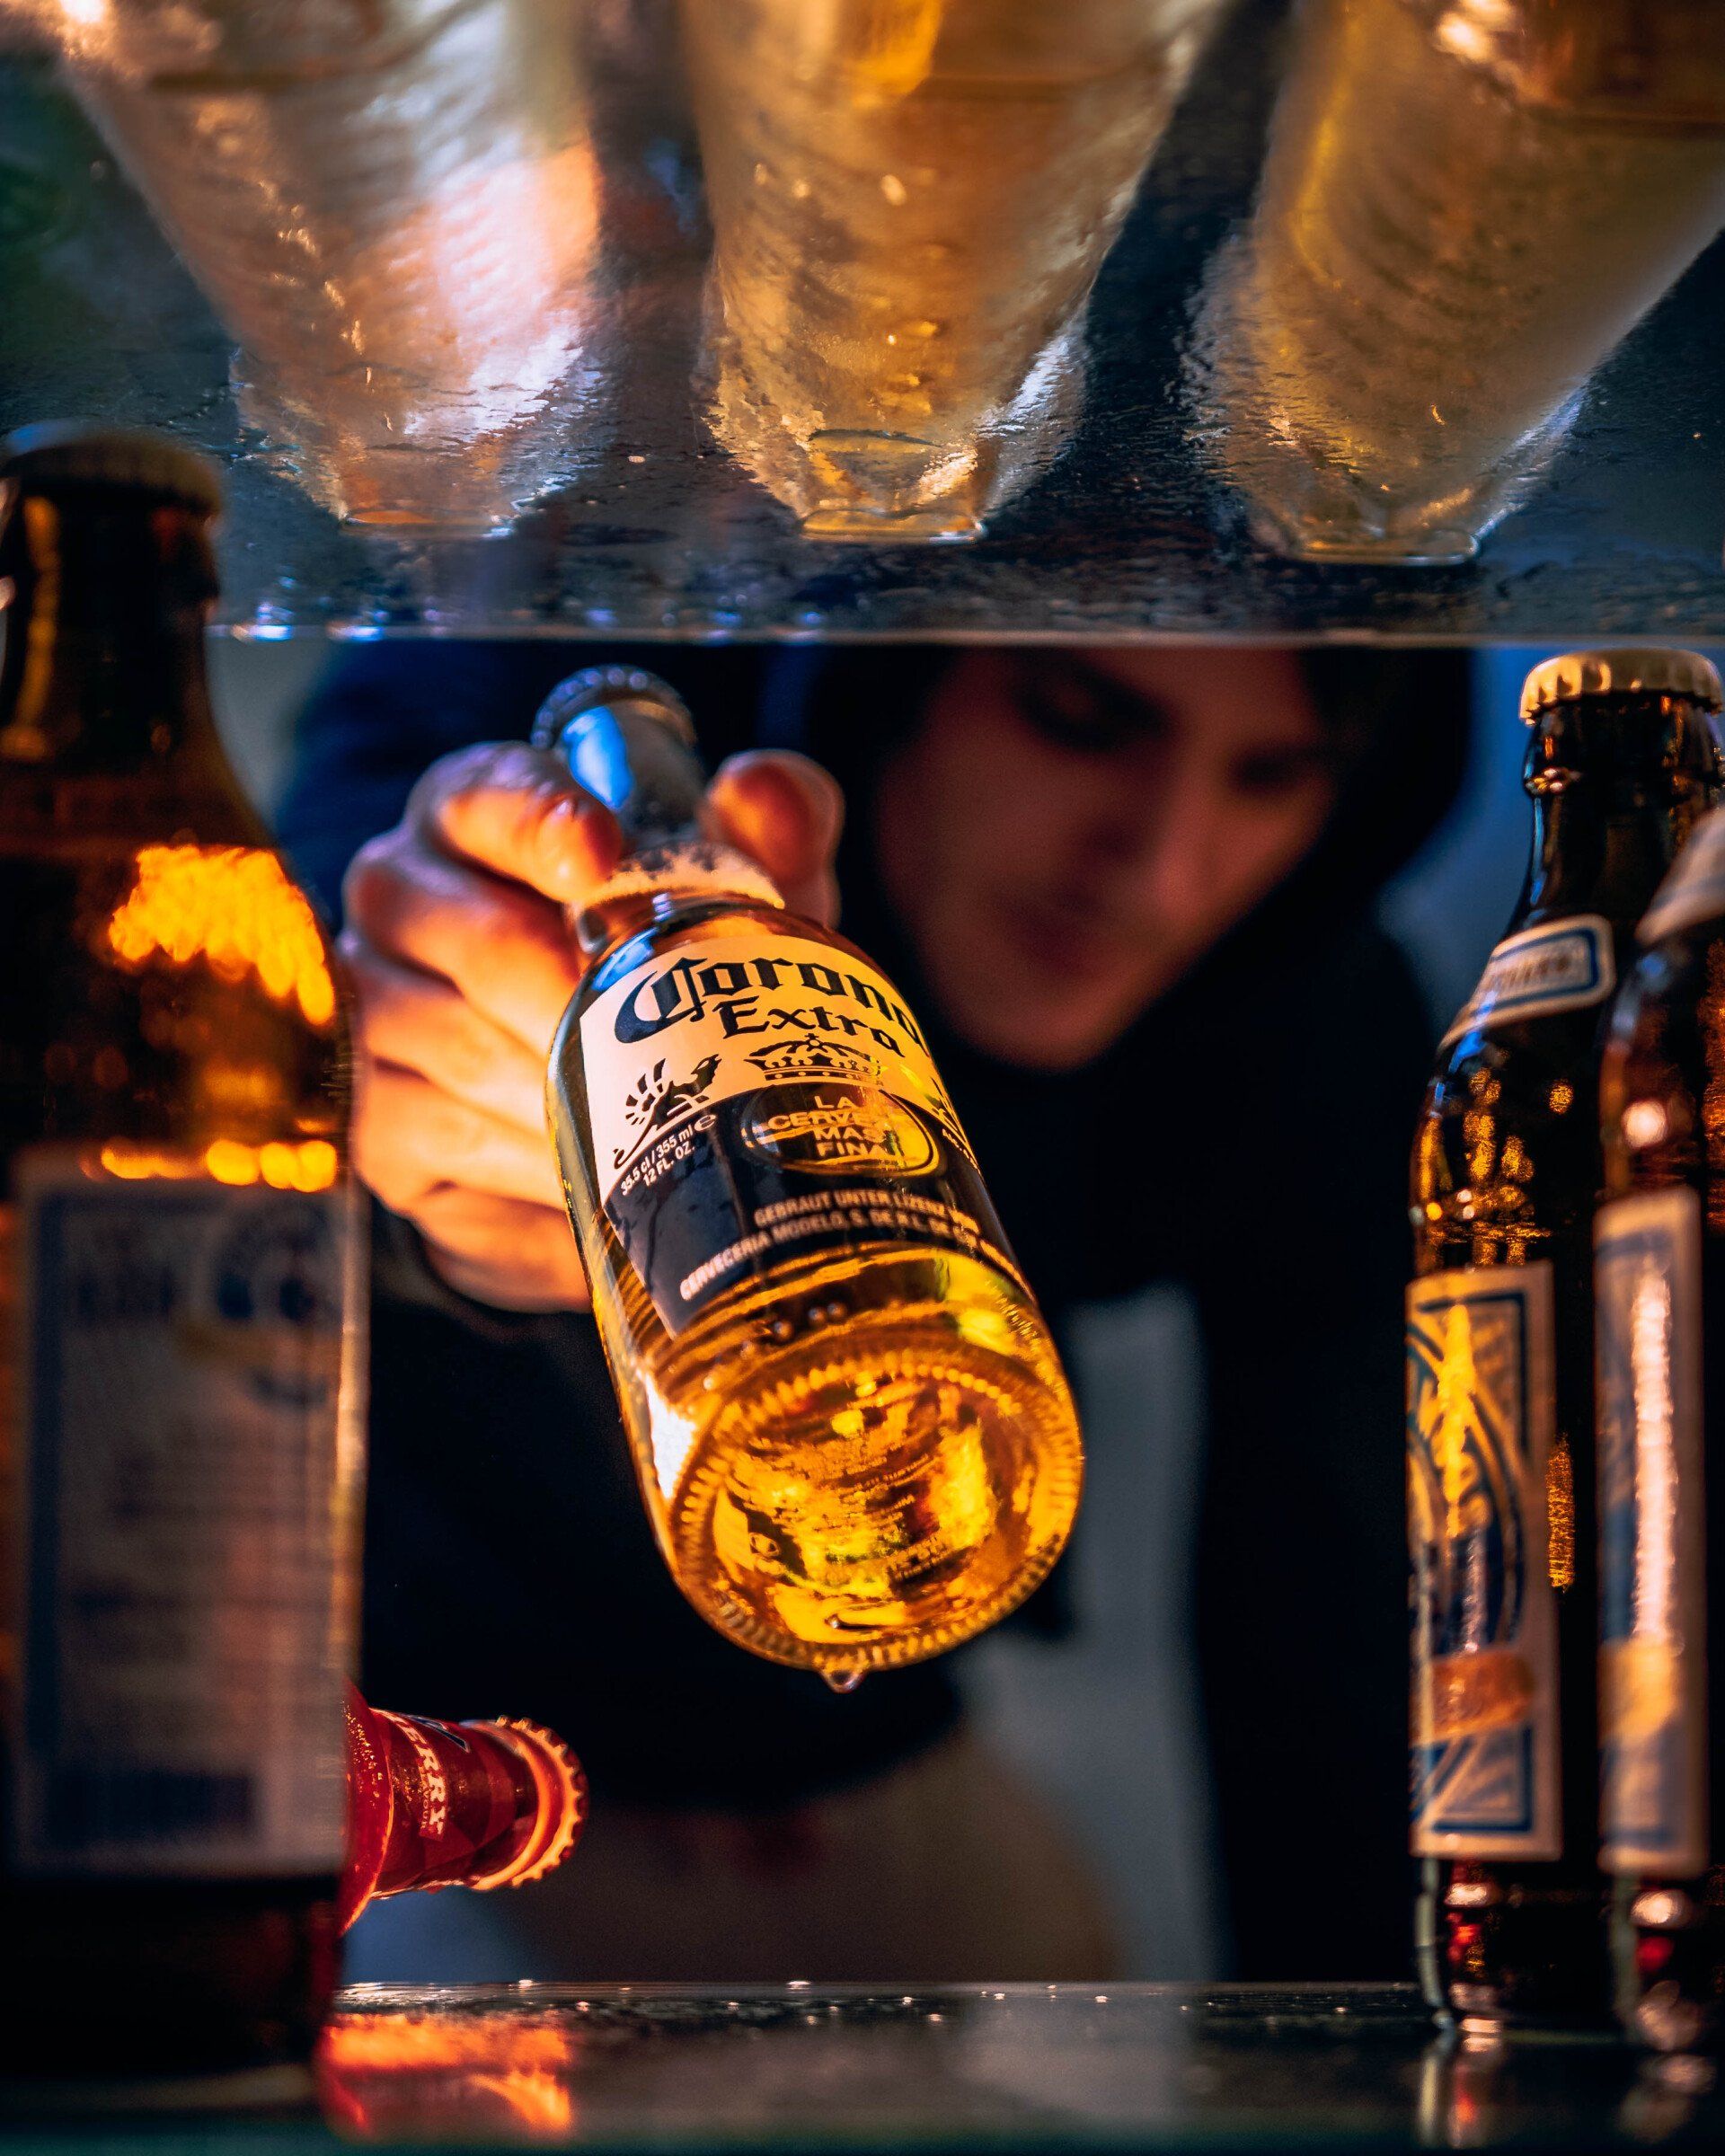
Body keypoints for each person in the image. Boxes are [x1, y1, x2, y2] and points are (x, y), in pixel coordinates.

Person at [277, 641, 1469, 1981]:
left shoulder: (1318, 1006)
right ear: (906, 679)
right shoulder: (551, 723)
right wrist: (432, 1181)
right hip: (434, 1773)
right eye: (1077, 719)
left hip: (869, 1753)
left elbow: (1341, 1600)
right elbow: (276, 1046)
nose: (1158, 865)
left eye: (1271, 776)